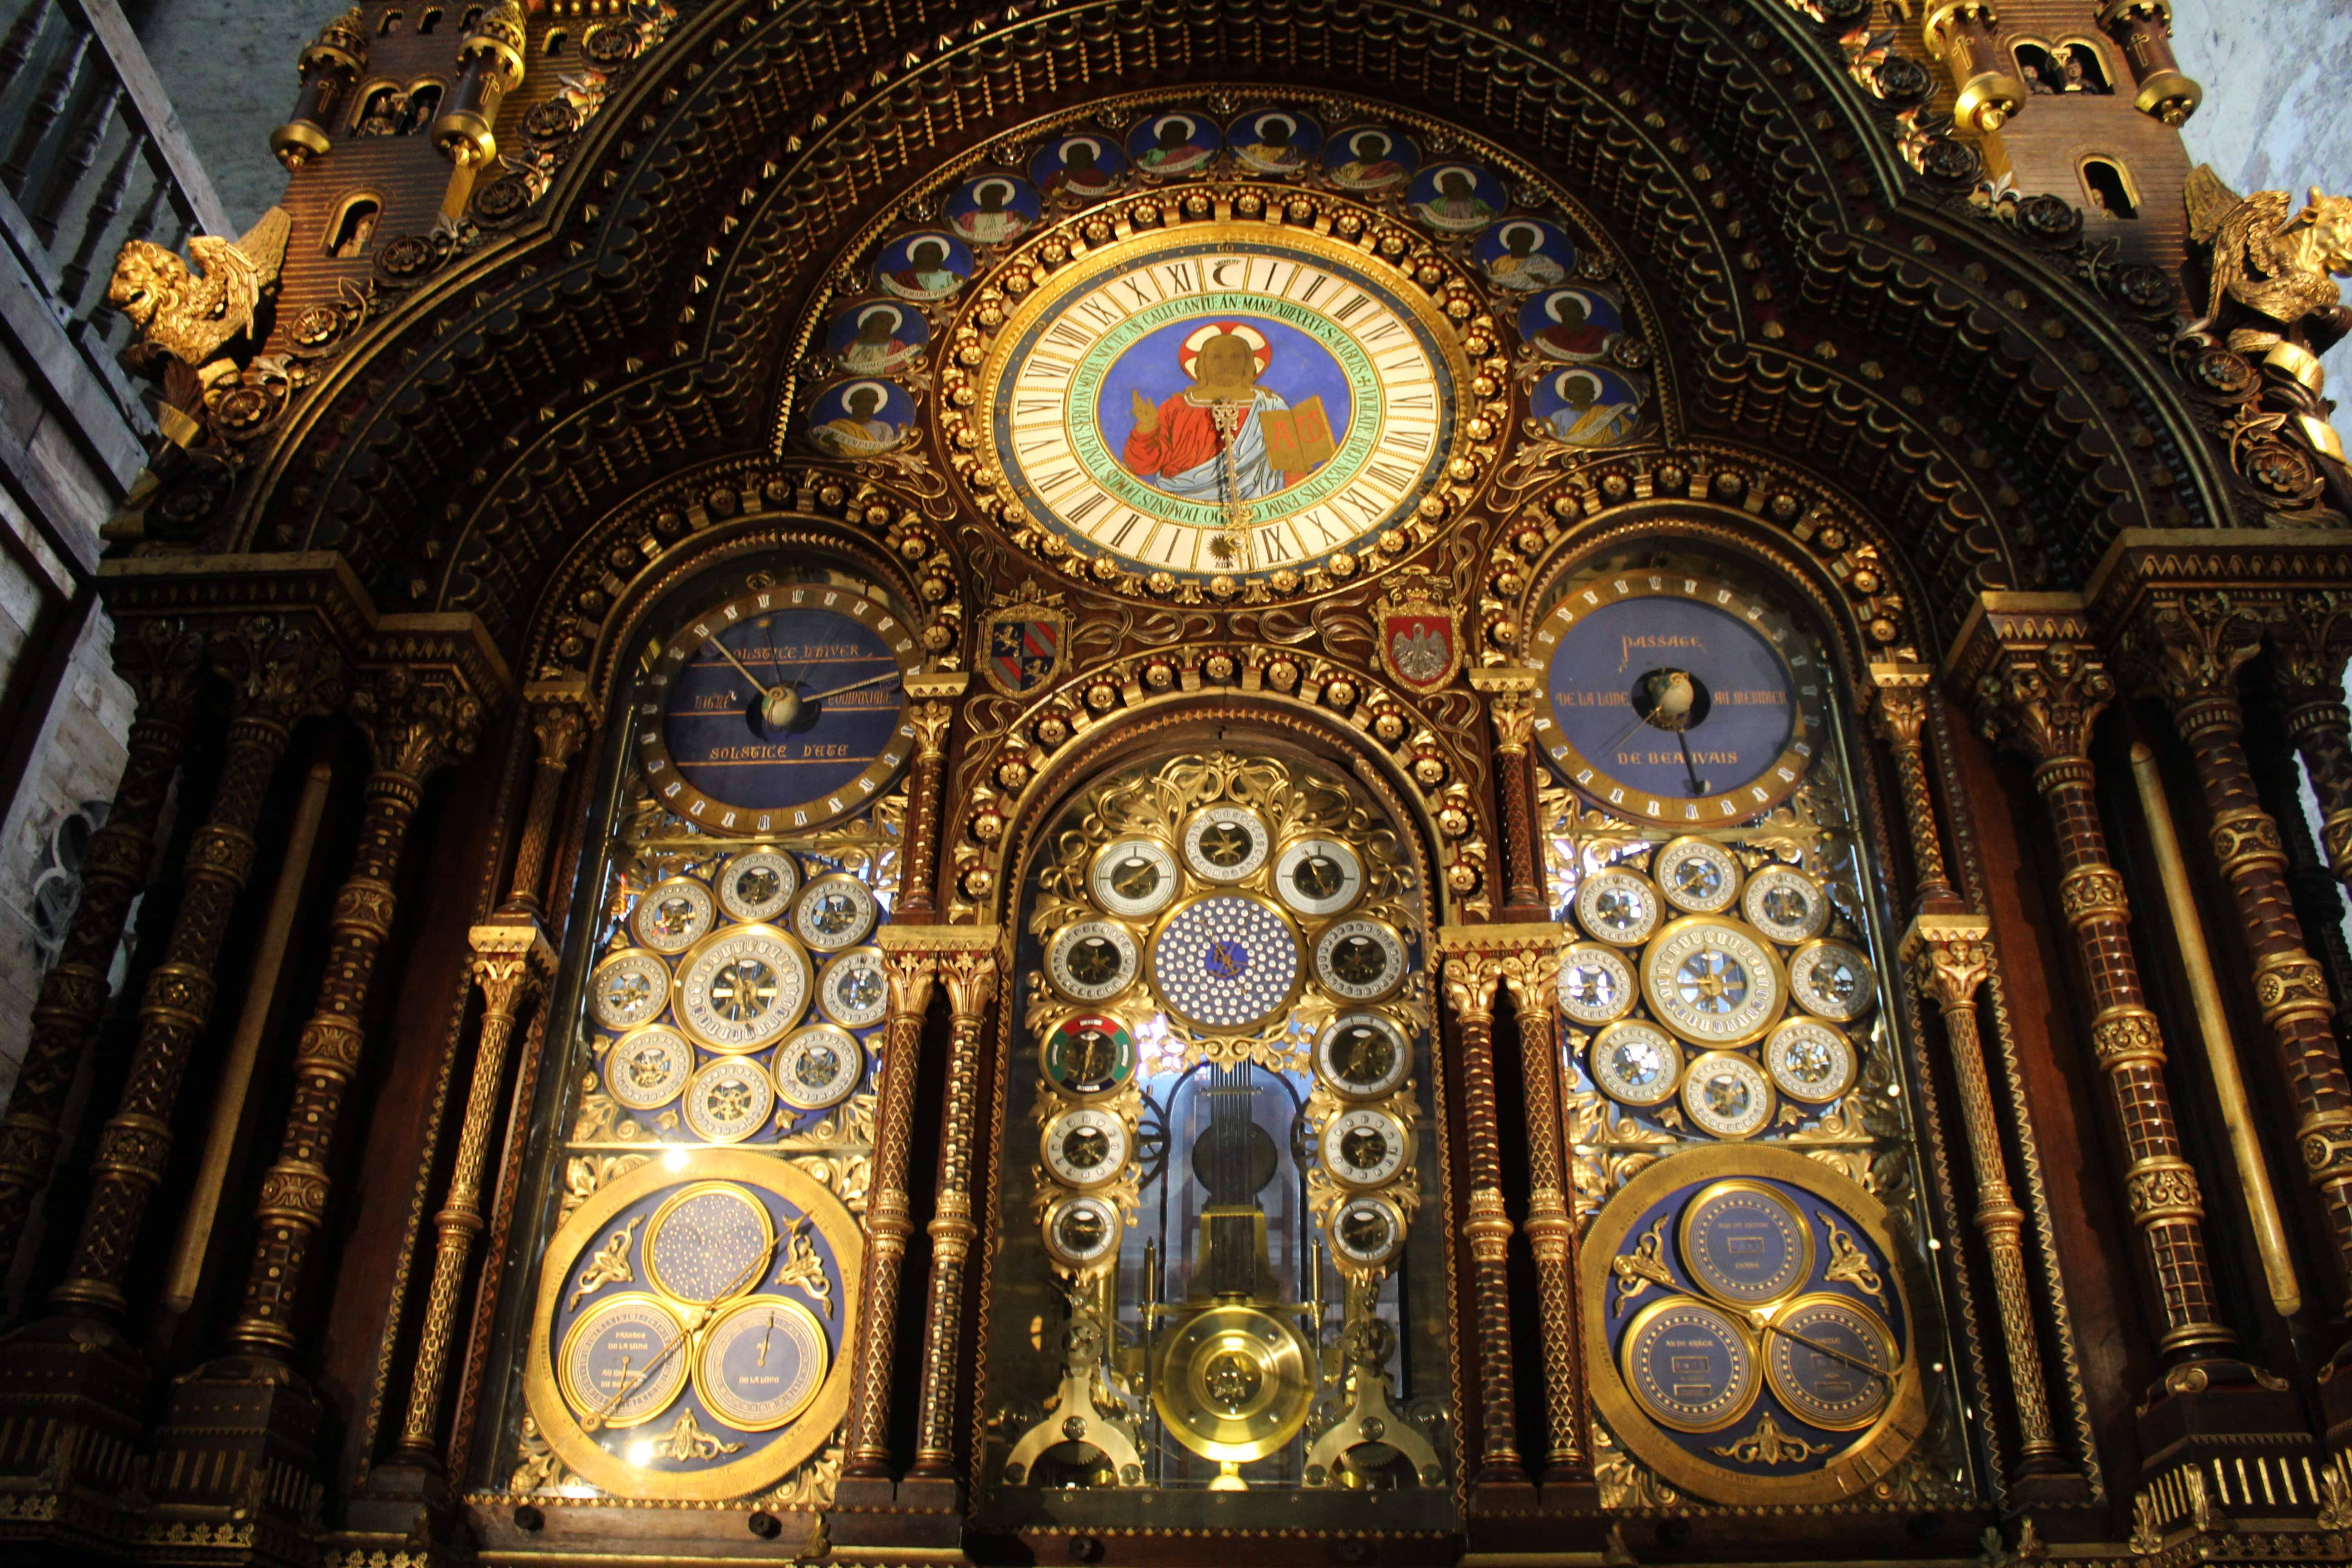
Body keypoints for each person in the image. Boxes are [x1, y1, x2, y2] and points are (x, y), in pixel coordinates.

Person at [1121, 326, 1306, 502]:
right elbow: (1142, 466)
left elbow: (1293, 468)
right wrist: (1147, 427)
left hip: (1255, 505)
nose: (1227, 364)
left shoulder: (1271, 406)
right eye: (1217, 357)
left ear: (1249, 364)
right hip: (1179, 504)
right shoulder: (1177, 407)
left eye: (1236, 357)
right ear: (1202, 365)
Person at [1546, 371, 1637, 446]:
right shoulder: (1558, 416)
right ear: (1568, 392)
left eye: (1586, 390)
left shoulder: (1604, 412)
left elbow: (1622, 436)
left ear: (1592, 393)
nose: (1581, 394)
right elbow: (1555, 440)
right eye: (1576, 389)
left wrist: (1614, 421)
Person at [815, 384, 905, 456]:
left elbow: (888, 453)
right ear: (851, 403)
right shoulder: (837, 426)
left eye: (869, 401)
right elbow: (825, 449)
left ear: (875, 403)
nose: (864, 405)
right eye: (859, 401)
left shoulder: (884, 428)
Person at [1486, 223, 1565, 290]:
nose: (1520, 246)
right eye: (1516, 242)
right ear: (1509, 243)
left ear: (1531, 244)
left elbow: (1557, 280)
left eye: (1524, 243)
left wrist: (1543, 281)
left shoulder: (1542, 261)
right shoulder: (1499, 262)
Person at [1535, 291, 1612, 360]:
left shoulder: (1599, 333)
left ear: (1580, 309)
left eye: (1568, 309)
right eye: (1560, 310)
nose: (1564, 313)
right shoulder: (1551, 333)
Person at [839, 307, 915, 372]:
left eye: (889, 324)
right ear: (870, 324)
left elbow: (904, 364)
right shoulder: (851, 346)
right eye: (882, 323)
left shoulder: (897, 346)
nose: (886, 327)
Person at [952, 181, 1029, 244]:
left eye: (996, 196)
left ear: (1002, 198)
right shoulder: (968, 219)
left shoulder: (1014, 217)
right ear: (982, 197)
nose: (992, 199)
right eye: (989, 195)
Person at [1416, 167, 1494, 228]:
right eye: (1446, 185)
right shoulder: (1436, 204)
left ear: (1464, 185)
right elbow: (1429, 221)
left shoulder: (1478, 203)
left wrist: (1487, 215)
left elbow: (1492, 216)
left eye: (1454, 185)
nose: (1449, 188)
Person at [885, 238, 961, 299]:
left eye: (932, 253)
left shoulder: (949, 277)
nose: (927, 257)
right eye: (923, 253)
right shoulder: (904, 277)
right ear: (916, 256)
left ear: (939, 256)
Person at [1137, 116, 1211, 174]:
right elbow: (1146, 170)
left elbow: (1201, 168)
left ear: (1183, 135)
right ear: (1164, 134)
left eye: (1177, 133)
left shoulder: (1194, 150)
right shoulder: (1152, 153)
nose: (1174, 135)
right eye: (1170, 132)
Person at [1335, 130, 1405, 190]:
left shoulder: (1392, 168)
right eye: (1367, 147)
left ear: (1382, 149)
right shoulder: (1348, 168)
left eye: (1375, 147)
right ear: (1359, 149)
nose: (1371, 150)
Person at [1049, 138, 1115, 196]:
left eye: (1081, 155)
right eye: (1073, 155)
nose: (1078, 159)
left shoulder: (1100, 176)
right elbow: (1051, 194)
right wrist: (1060, 187)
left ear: (1089, 157)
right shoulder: (1059, 175)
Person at [1240, 116, 1304, 171]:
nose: (1275, 136)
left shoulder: (1295, 151)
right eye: (1271, 132)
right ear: (1264, 133)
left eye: (1279, 132)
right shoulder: (1252, 149)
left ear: (1285, 134)